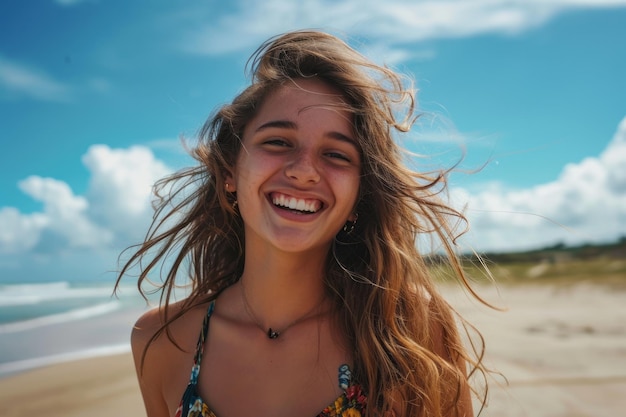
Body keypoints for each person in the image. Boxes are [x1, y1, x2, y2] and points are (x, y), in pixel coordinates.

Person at [116, 30, 488, 417]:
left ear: (359, 195)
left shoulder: (410, 330)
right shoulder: (160, 341)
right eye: (278, 142)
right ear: (230, 171)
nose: (305, 171)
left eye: (336, 154)